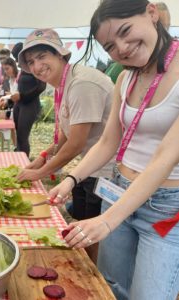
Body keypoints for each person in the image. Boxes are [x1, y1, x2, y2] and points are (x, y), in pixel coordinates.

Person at [47, 1, 179, 299]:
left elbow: (165, 157)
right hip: (118, 189)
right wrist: (71, 179)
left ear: (151, 13)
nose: (122, 47)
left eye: (126, 30)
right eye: (110, 46)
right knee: (109, 286)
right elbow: (109, 142)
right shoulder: (126, 77)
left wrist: (107, 220)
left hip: (166, 209)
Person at [17, 28, 114, 262]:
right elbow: (66, 136)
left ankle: (94, 275)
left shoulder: (82, 84)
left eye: (42, 57)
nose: (37, 66)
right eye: (31, 62)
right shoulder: (63, 84)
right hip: (90, 167)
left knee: (90, 231)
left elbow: (76, 143)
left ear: (60, 55)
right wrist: (43, 156)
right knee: (79, 219)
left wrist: (40, 173)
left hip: (109, 170)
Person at [10, 42, 46, 156]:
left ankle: (24, 163)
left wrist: (22, 96)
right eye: (15, 58)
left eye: (17, 57)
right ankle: (20, 157)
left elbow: (41, 86)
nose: (16, 61)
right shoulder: (23, 69)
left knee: (23, 136)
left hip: (30, 105)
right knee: (18, 135)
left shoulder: (34, 67)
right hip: (19, 104)